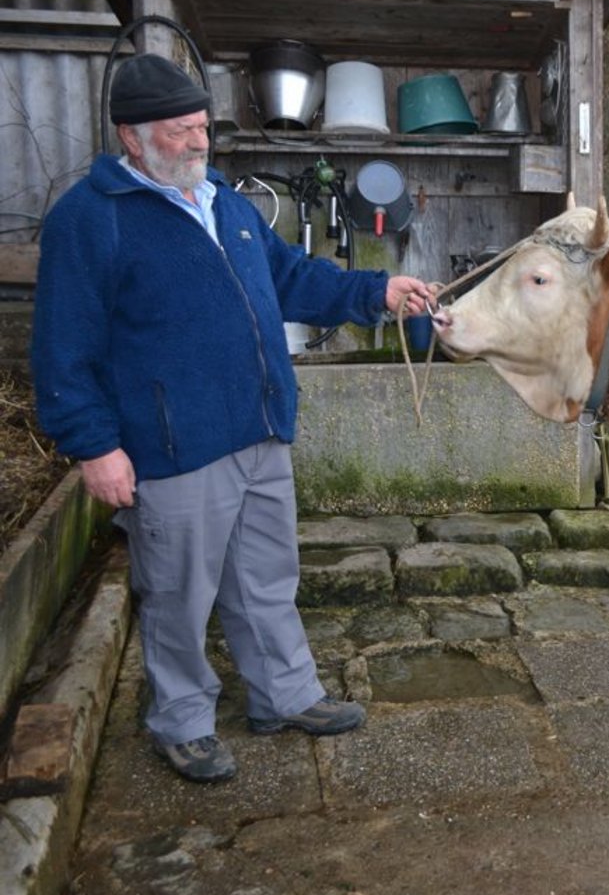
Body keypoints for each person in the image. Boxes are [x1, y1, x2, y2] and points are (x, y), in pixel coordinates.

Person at [29, 53, 437, 784]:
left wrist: (377, 291)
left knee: (266, 580)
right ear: (131, 135)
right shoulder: (89, 221)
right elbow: (64, 348)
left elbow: (290, 278)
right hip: (174, 444)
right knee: (179, 596)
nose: (197, 143)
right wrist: (95, 448)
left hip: (259, 428)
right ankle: (180, 722)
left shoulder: (223, 200)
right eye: (179, 131)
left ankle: (283, 695)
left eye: (200, 128)